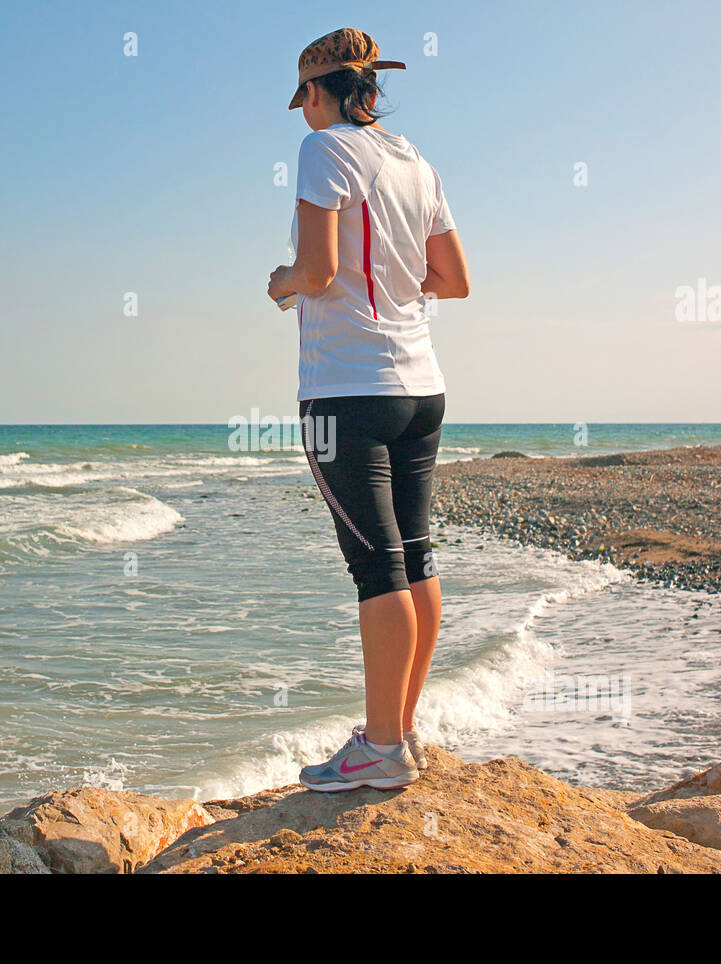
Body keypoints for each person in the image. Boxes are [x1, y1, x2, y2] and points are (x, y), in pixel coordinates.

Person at [267, 28, 470, 791]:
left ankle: (381, 749)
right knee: (415, 557)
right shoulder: (415, 160)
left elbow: (317, 272)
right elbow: (453, 280)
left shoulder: (324, 152)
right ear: (372, 87)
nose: (305, 115)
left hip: (346, 390)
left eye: (305, 101)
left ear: (317, 93)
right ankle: (398, 732)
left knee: (376, 569)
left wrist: (283, 281)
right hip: (421, 388)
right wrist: (387, 271)